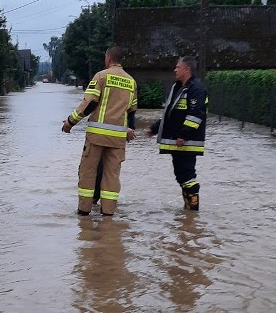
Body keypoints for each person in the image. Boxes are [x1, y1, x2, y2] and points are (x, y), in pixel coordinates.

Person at [61, 44, 137, 216]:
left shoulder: (101, 76)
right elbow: (132, 111)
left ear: (108, 58)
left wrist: (70, 122)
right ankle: (108, 213)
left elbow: (89, 103)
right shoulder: (131, 82)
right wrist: (130, 129)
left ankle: (84, 212)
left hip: (97, 136)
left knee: (88, 172)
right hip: (118, 138)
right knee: (111, 176)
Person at [146, 54, 207, 210]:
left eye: (177, 67)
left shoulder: (196, 89)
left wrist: (184, 135)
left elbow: (196, 114)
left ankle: (193, 211)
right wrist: (154, 128)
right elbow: (170, 115)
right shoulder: (178, 88)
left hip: (187, 142)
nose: (175, 70)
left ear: (186, 69)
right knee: (181, 176)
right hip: (178, 141)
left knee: (187, 175)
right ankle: (188, 213)